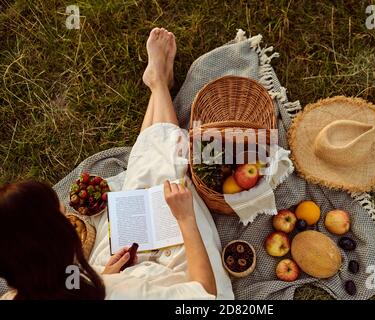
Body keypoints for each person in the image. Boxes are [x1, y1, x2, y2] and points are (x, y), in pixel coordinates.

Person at [0, 27, 233, 300]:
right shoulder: (121, 295)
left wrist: (102, 276)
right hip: (191, 289)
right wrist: (186, 219)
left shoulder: (23, 294)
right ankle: (158, 83)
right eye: (64, 216)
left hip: (114, 279)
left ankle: (158, 83)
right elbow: (205, 295)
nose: (71, 218)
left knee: (138, 196)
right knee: (171, 184)